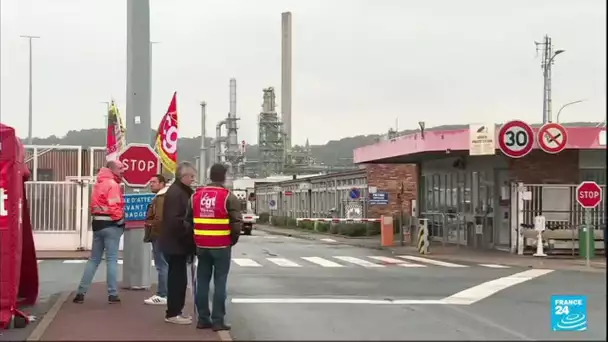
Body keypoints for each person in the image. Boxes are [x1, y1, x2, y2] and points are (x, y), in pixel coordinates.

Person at [184, 163, 241, 331]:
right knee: (220, 282)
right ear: (223, 177)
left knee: (202, 281)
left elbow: (187, 221)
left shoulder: (196, 196)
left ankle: (203, 319)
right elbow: (236, 223)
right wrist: (232, 240)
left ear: (210, 175)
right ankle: (218, 321)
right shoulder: (228, 197)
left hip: (202, 245)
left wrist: (195, 238)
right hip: (222, 245)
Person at [73, 160, 125, 304]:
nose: (123, 170)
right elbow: (114, 206)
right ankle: (112, 294)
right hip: (111, 224)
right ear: (112, 169)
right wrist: (120, 220)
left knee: (94, 260)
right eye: (121, 168)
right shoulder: (113, 185)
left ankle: (80, 293)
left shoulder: (98, 184)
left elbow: (94, 205)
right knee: (112, 260)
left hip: (98, 224)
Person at [159, 162, 197, 324]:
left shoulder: (177, 191)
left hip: (174, 243)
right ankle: (174, 313)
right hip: (177, 244)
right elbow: (176, 221)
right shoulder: (178, 193)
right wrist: (190, 229)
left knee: (178, 278)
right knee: (177, 280)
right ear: (184, 176)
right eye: (192, 177)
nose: (193, 180)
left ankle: (175, 311)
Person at [143, 174, 169, 305]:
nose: (151, 184)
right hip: (164, 235)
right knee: (164, 265)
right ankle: (165, 293)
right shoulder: (164, 197)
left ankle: (162, 294)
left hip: (159, 235)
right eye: (150, 181)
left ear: (162, 183)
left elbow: (159, 219)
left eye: (154, 182)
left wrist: (150, 225)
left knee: (161, 265)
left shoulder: (161, 198)